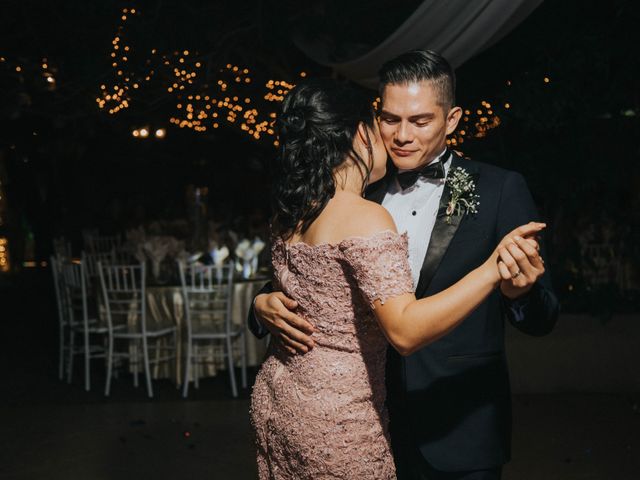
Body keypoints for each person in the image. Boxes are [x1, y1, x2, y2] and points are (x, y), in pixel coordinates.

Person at [250, 51, 559, 480]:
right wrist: (262, 301)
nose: (401, 136)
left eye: (420, 121)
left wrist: (519, 292)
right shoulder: (358, 189)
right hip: (364, 420)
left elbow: (544, 316)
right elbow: (317, 280)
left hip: (459, 428)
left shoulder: (500, 189)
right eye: (390, 119)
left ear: (451, 120)